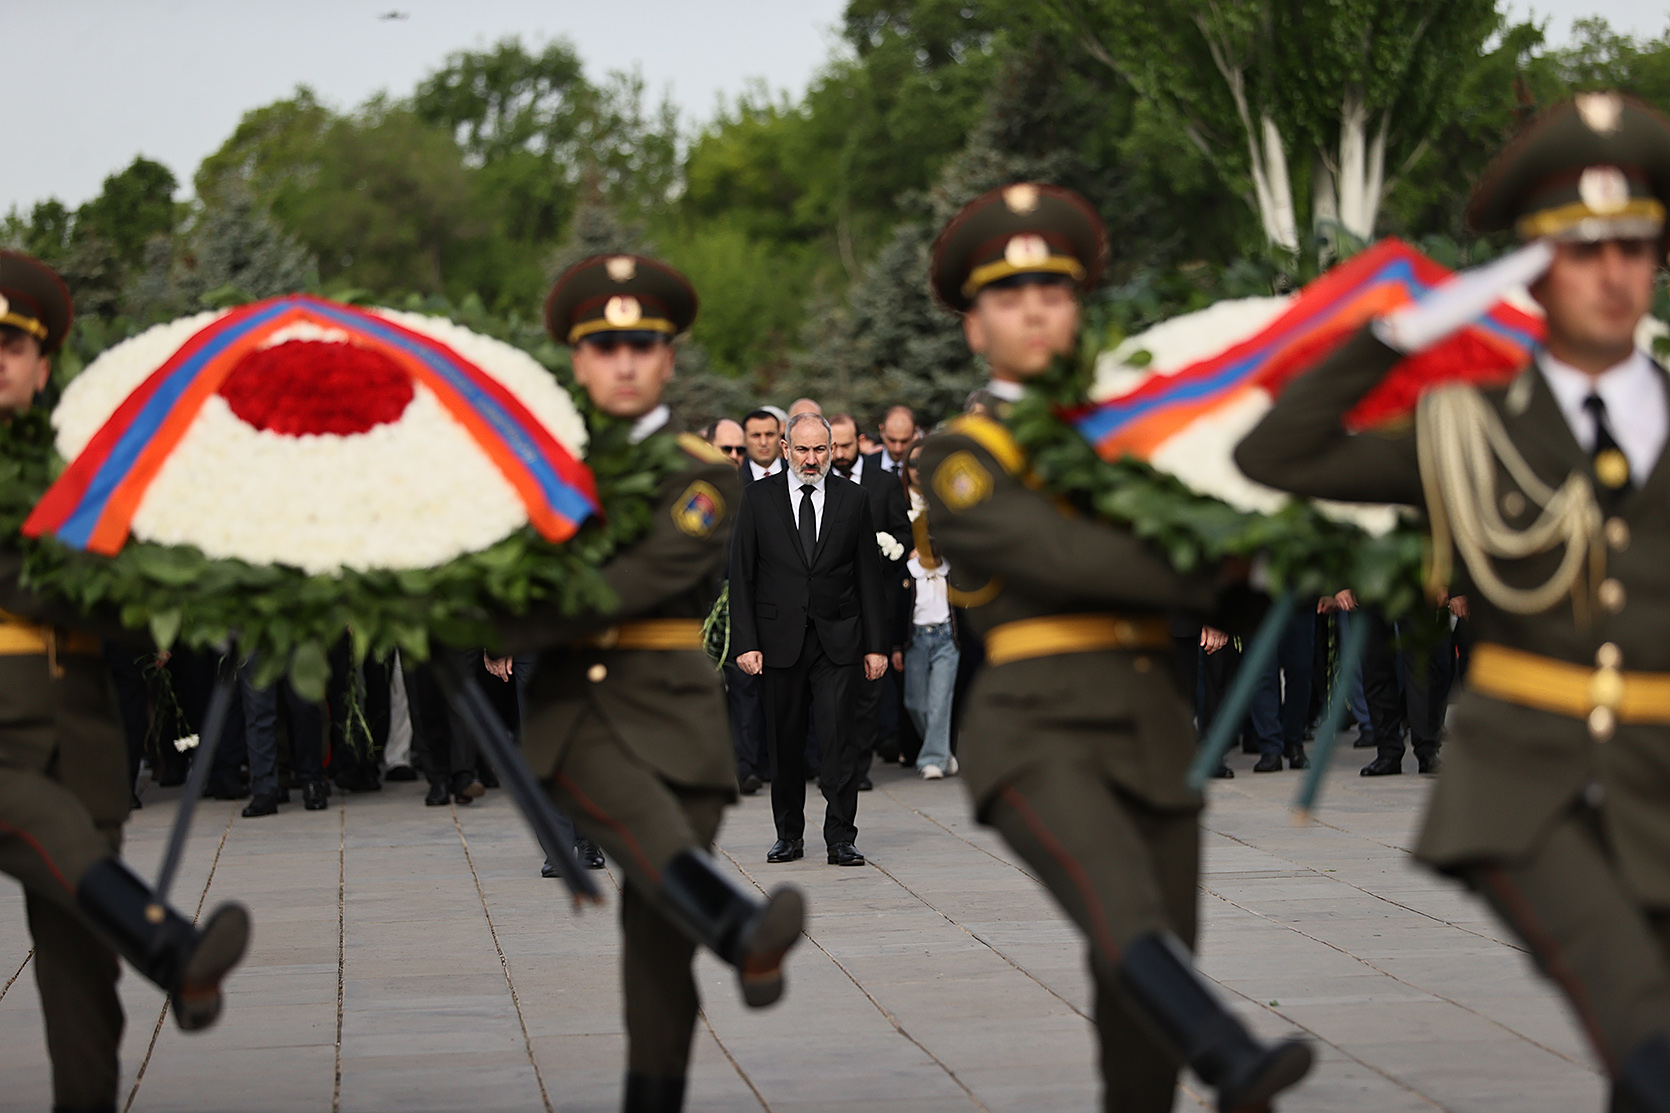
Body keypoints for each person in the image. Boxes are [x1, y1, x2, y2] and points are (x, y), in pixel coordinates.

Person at [1235, 94, 1670, 1110]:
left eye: (1632, 245)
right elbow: (1277, 448)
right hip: (1529, 786)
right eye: (1577, 248)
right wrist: (1394, 332)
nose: (1608, 273)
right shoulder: (1468, 428)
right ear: (1529, 266)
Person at [918, 184, 1312, 1113]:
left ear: (1079, 309)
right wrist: (1210, 553)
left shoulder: (1142, 436)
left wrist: (1303, 540)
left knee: (1140, 973)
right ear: (975, 329)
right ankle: (1228, 1050)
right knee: (1124, 912)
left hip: (1152, 731)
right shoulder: (962, 453)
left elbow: (1236, 556)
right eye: (1009, 300)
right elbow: (1059, 556)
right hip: (1037, 728)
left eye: (1053, 295)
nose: (1035, 314)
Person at [496, 253, 804, 1113]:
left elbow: (650, 573)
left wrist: (526, 593)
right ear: (579, 361)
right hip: (579, 715)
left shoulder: (703, 470)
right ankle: (740, 924)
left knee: (657, 954)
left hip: (672, 711)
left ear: (668, 357)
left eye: (643, 344)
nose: (625, 362)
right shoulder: (539, 462)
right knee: (637, 826)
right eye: (605, 347)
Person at [0, 251, 250, 1112]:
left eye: (9, 342)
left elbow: (130, 620)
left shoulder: (90, 478)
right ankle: (168, 944)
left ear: (40, 359)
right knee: (36, 818)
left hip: (76, 736)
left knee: (79, 982)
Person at [729, 412, 889, 867]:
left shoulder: (853, 499)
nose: (812, 458)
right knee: (784, 742)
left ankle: (841, 837)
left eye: (822, 449)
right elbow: (741, 575)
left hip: (838, 639)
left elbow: (868, 577)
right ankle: (788, 836)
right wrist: (746, 641)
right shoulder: (757, 499)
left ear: (832, 451)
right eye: (803, 449)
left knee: (839, 740)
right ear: (785, 449)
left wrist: (876, 644)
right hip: (778, 641)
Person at [829, 413, 912, 785]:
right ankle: (831, 762)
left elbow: (903, 533)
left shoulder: (882, 482)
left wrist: (885, 550)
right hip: (831, 606)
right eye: (834, 446)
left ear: (859, 440)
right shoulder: (818, 482)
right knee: (832, 692)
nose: (839, 453)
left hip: (874, 601)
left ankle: (859, 767)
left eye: (846, 445)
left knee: (868, 689)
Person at [896, 442, 960, 779]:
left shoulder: (950, 566)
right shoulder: (909, 569)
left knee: (940, 701)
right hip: (917, 637)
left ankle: (932, 759)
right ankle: (943, 751)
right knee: (916, 703)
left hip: (947, 635)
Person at [740, 408, 783, 485]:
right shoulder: (736, 478)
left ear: (779, 437)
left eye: (770, 435)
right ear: (744, 439)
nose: (763, 442)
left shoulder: (795, 473)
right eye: (756, 436)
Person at [876, 404, 918, 475]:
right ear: (882, 431)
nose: (897, 449)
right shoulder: (864, 466)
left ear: (915, 433)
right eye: (892, 440)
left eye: (904, 441)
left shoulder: (923, 467)